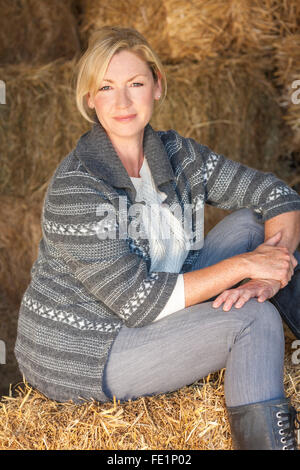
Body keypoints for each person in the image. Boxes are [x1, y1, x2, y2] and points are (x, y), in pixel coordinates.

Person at [15, 26, 300, 450]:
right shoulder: (77, 187)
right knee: (253, 320)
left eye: (135, 84)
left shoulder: (177, 154)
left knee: (252, 225)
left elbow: (276, 194)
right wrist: (243, 266)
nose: (123, 101)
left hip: (153, 302)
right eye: (106, 87)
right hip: (89, 348)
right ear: (90, 99)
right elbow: (138, 302)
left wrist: (268, 276)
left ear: (158, 86)